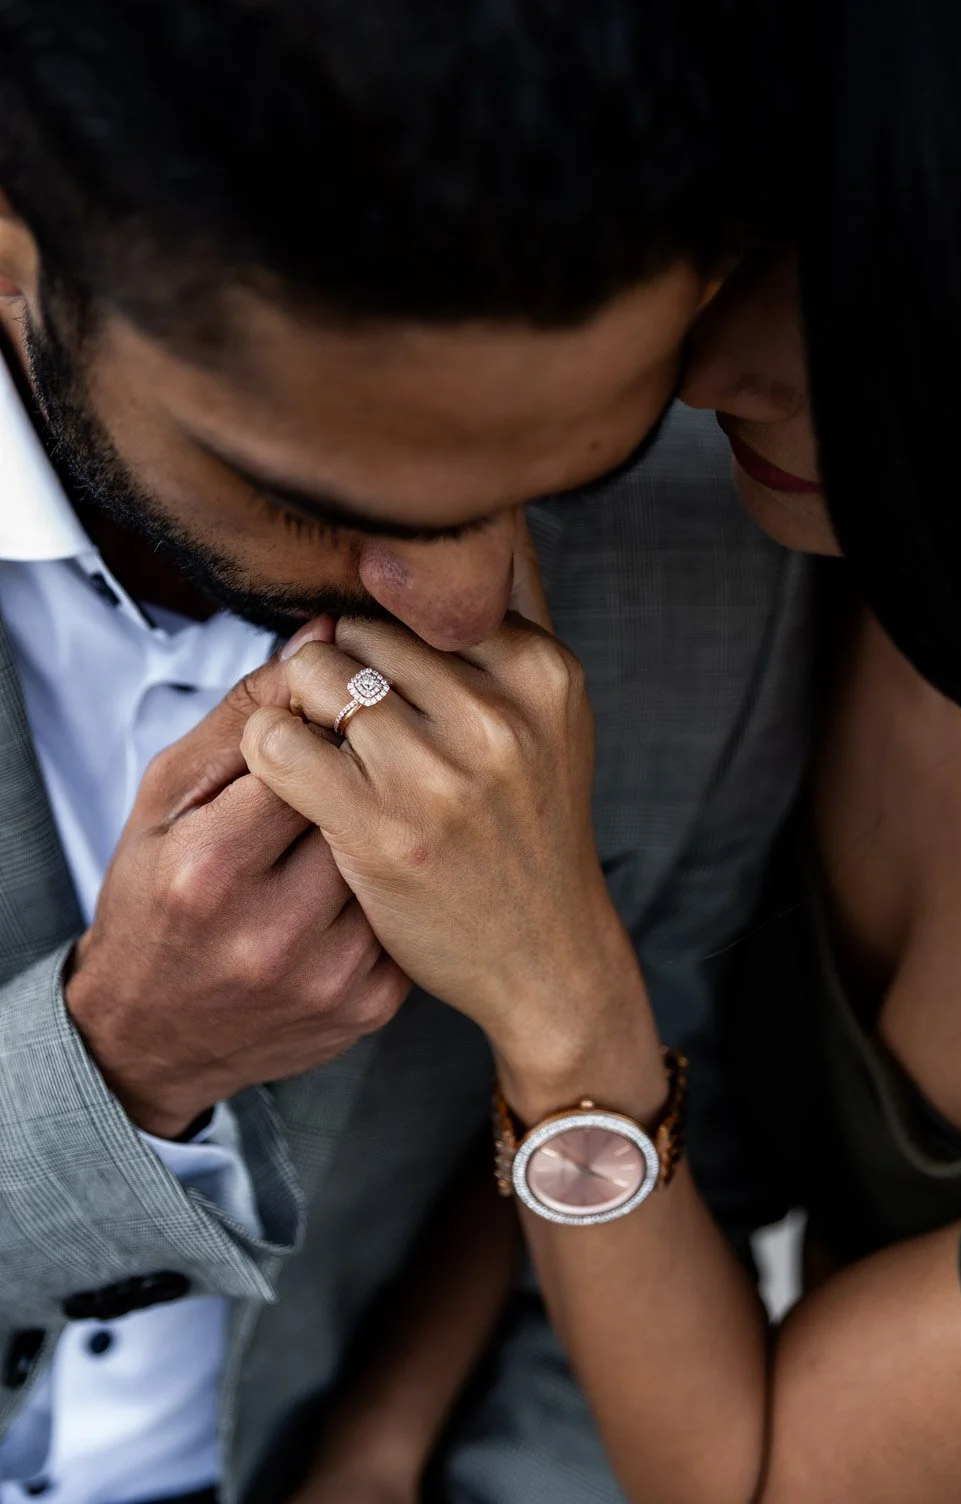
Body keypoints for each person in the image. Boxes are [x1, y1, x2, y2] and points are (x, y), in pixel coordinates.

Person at [0, 3, 810, 1501]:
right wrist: (121, 1066)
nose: (464, 605)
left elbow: (686, 1181)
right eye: (315, 497)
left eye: (569, 471)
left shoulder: (727, 545)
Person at [240, 3, 961, 1501]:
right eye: (762, 231)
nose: (711, 366)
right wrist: (390, 1427)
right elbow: (679, 1101)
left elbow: (748, 1473)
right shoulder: (835, 539)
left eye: (873, 309)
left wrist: (556, 988)